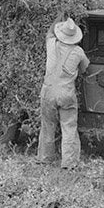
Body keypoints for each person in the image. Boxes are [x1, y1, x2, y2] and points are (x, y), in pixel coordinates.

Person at [38, 15, 89, 170]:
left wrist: (57, 19)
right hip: (66, 94)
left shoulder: (51, 44)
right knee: (69, 127)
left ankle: (45, 158)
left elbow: (49, 33)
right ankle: (69, 162)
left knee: (48, 126)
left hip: (48, 92)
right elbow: (85, 69)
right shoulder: (79, 52)